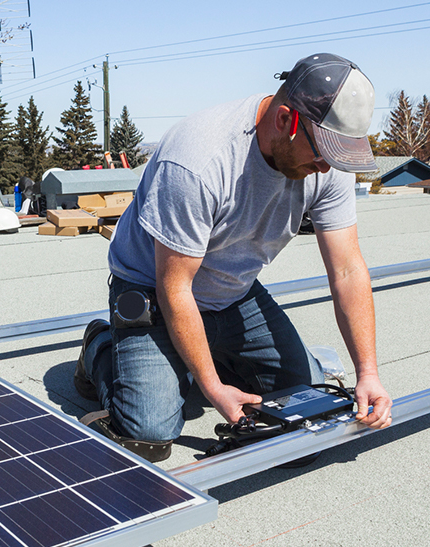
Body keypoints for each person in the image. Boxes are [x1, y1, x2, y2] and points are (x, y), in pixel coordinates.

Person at [74, 53, 393, 463]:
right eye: (321, 152)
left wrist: (368, 373)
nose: (325, 166)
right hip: (153, 288)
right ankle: (100, 346)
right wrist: (211, 387)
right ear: (285, 120)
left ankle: (209, 354)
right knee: (148, 434)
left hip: (234, 290)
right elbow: (175, 286)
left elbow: (347, 270)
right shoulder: (198, 160)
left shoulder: (327, 163)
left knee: (306, 410)